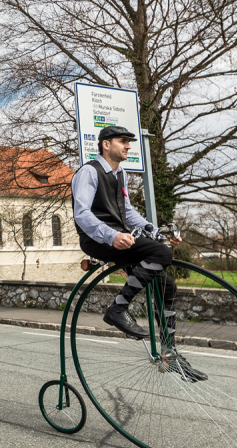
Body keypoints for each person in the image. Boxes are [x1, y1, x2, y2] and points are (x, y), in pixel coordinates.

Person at [71, 125, 205, 381]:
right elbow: (82, 214)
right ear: (106, 145)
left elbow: (128, 213)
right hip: (97, 239)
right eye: (123, 141)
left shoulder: (120, 173)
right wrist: (112, 235)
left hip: (121, 236)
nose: (129, 146)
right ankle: (118, 309)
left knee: (166, 286)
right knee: (162, 255)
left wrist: (154, 231)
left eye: (130, 142)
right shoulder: (89, 172)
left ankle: (169, 353)